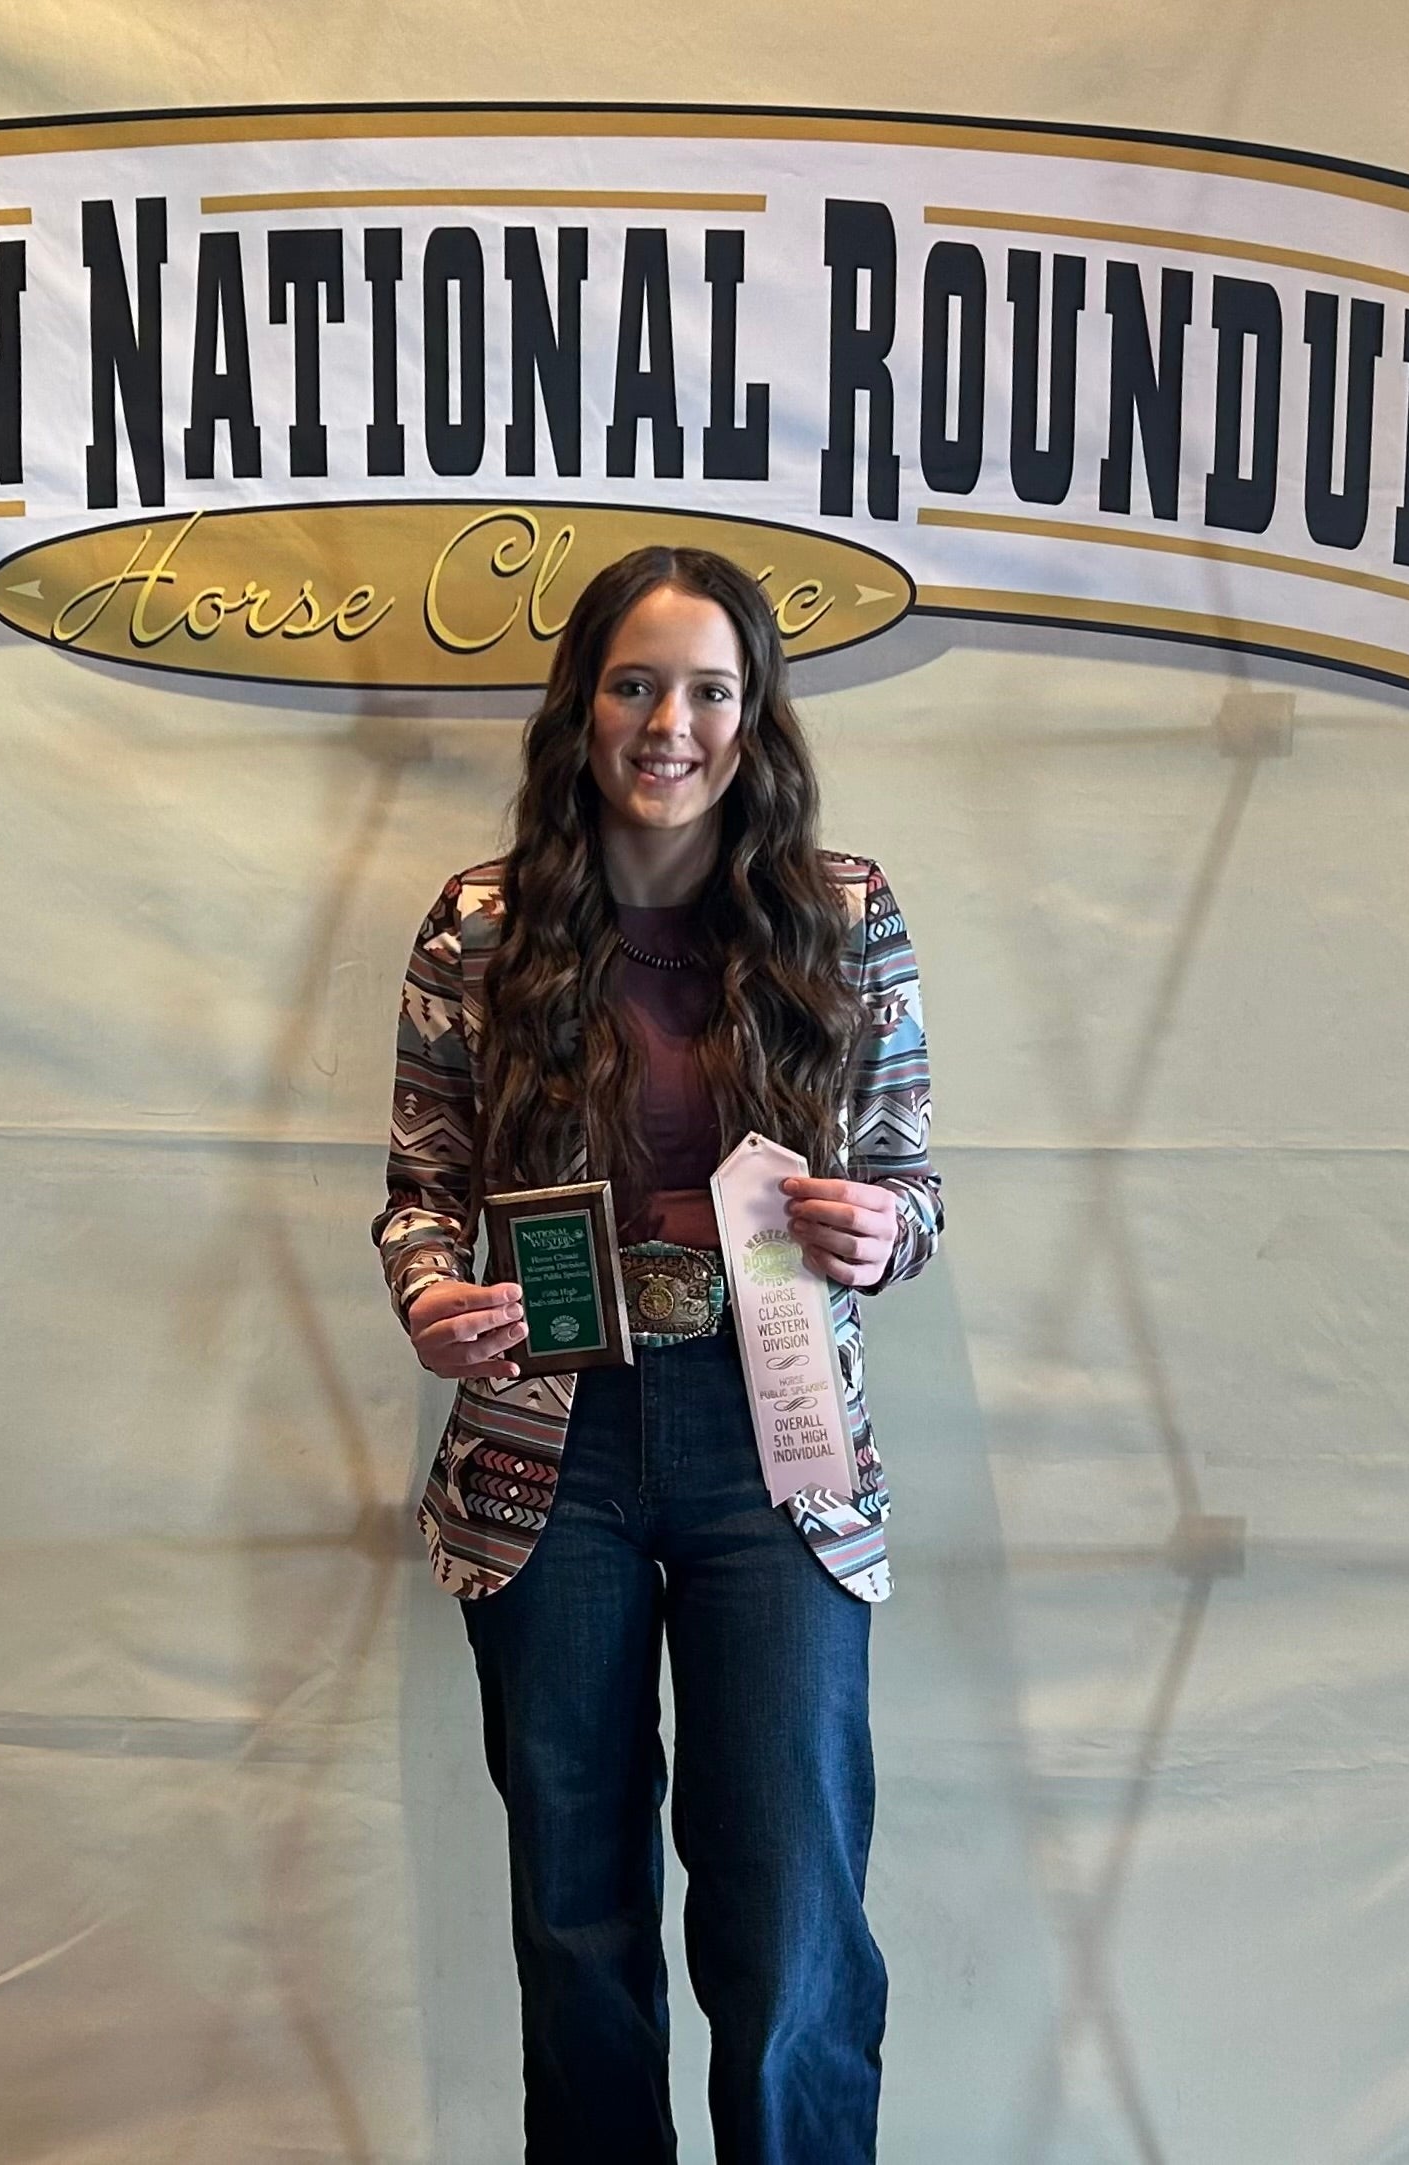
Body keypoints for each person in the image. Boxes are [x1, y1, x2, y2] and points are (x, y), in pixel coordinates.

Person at [371, 544, 942, 2163]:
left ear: (754, 719)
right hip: (550, 1459)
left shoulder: (845, 914)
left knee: (788, 1921)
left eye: (707, 688)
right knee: (578, 1920)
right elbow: (421, 1192)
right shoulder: (482, 927)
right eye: (635, 683)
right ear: (584, 706)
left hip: (779, 1456)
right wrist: (432, 1297)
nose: (668, 722)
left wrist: (877, 1230)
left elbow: (914, 1184)